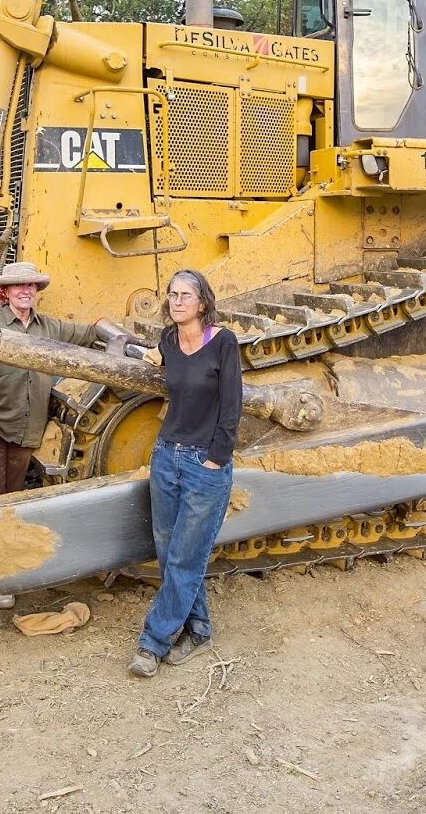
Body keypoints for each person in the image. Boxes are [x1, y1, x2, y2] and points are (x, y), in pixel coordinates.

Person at [0, 261, 103, 608]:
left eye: (31, 287)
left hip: (27, 430)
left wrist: (112, 331)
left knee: (12, 501)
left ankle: (1, 574)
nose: (25, 292)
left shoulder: (48, 327)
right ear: (5, 292)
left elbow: (84, 333)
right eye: (18, 287)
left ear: (37, 292)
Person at [130, 269, 242, 677]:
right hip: (166, 457)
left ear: (202, 303)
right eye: (172, 294)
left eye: (186, 295)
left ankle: (152, 643)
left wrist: (216, 457)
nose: (177, 301)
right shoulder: (168, 340)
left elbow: (232, 407)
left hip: (204, 464)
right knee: (171, 552)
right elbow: (166, 364)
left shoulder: (223, 343)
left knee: (184, 556)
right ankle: (199, 629)